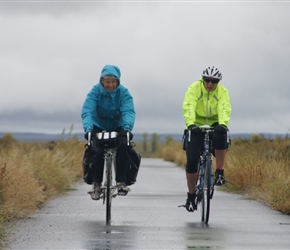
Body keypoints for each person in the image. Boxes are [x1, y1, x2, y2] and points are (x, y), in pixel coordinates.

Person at [81, 64, 136, 200]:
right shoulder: (95, 91)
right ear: (102, 82)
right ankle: (96, 184)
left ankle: (121, 182)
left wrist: (127, 128)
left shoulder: (124, 93)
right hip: (98, 124)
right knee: (96, 148)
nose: (110, 85)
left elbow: (128, 111)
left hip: (118, 125)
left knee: (123, 144)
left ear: (117, 82)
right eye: (107, 82)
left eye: (113, 82)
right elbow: (87, 110)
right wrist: (88, 129)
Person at [182, 66, 231, 212]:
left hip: (215, 123)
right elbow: (189, 105)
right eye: (207, 80)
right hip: (196, 124)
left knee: (222, 135)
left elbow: (224, 107)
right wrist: (190, 124)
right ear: (203, 80)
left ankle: (220, 172)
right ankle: (191, 196)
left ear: (218, 82)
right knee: (192, 161)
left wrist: (223, 124)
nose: (210, 84)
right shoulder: (194, 88)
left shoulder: (222, 92)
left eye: (214, 81)